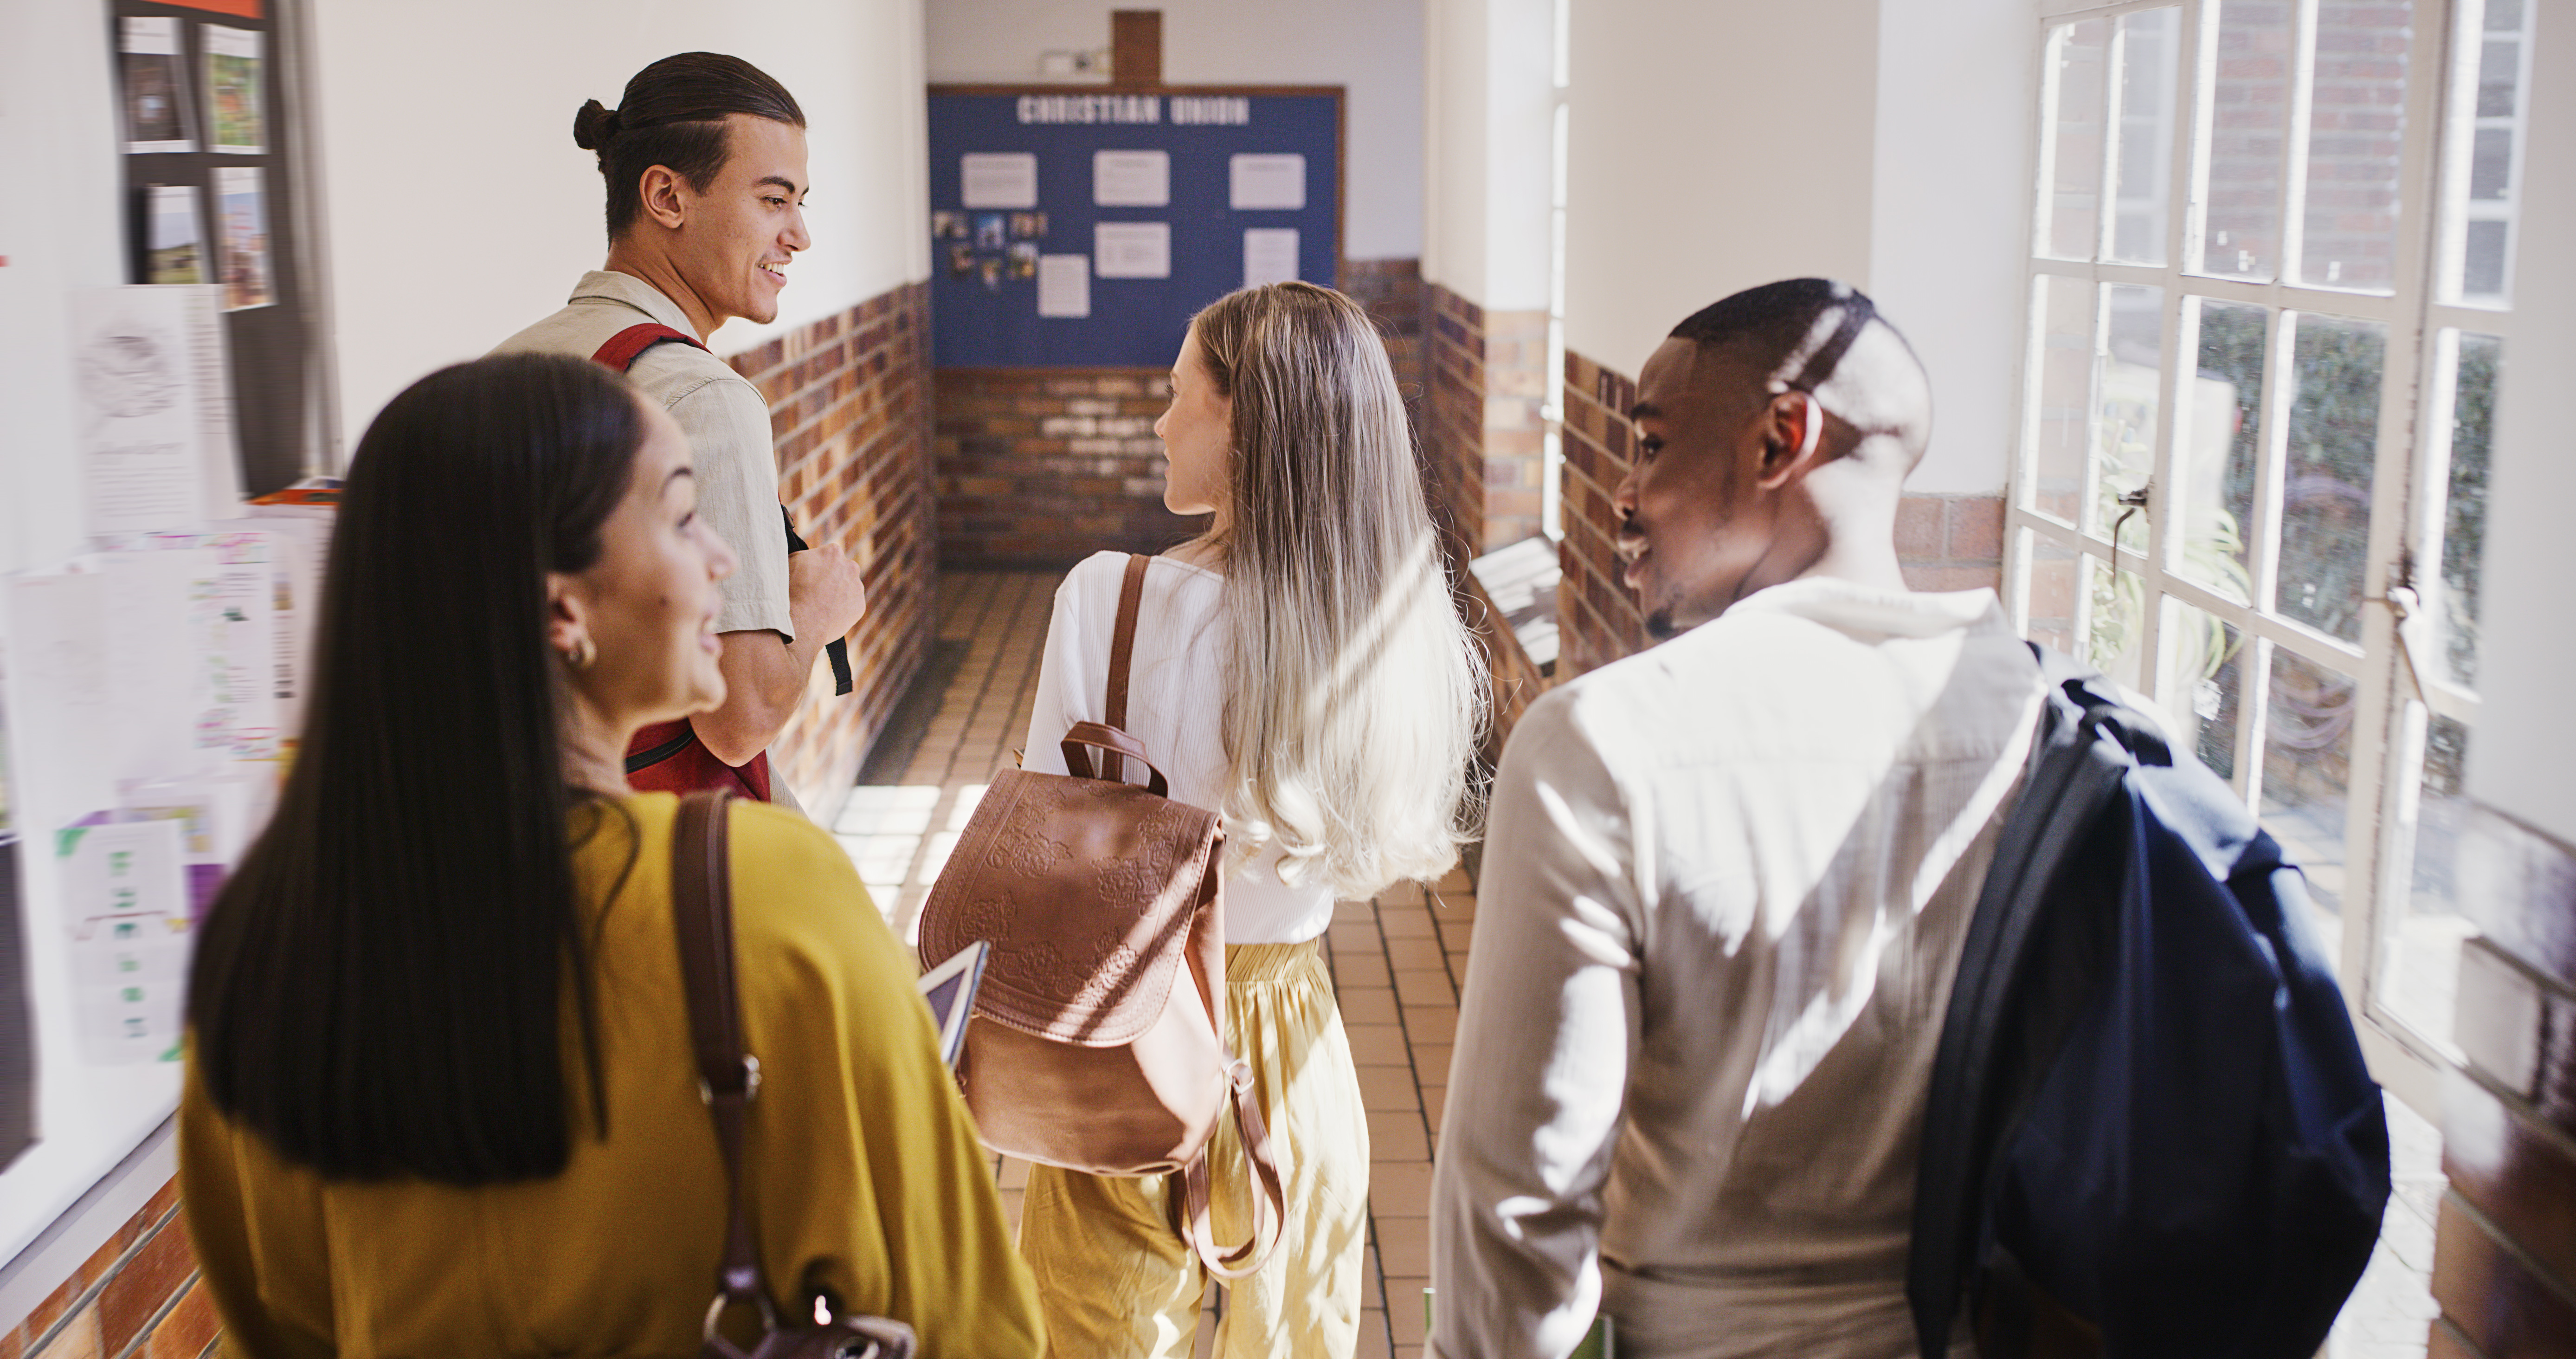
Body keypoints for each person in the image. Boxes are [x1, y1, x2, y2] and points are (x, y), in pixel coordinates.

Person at [180, 354, 1045, 1358]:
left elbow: (279, 1319)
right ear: (562, 611)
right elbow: (966, 1322)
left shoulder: (262, 948)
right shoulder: (762, 894)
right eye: (683, 518)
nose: (723, 557)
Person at [1429, 279, 2046, 1359]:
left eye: (1652, 446)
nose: (1625, 494)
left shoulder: (1607, 744)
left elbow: (1519, 1206)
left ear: (1781, 440)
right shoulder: (2044, 725)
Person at [1014, 282, 1485, 1359]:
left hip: (1128, 1028)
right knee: (1296, 1334)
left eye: (1177, 394)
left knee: (1103, 1334)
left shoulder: (1107, 599)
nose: (1159, 418)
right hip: (1295, 1039)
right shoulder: (1392, 626)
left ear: (1245, 423)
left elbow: (1049, 850)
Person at [493, 52, 867, 809]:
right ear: (666, 196)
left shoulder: (512, 362)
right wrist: (818, 607)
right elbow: (741, 717)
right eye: (773, 200)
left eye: (800, 204)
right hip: (664, 842)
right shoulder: (702, 397)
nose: (798, 235)